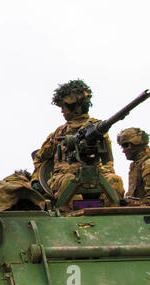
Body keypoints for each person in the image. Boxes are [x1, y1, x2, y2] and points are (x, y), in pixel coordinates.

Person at [30, 79, 124, 208]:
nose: (62, 111)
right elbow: (40, 158)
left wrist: (102, 173)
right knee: (69, 182)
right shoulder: (59, 134)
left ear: (75, 107)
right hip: (64, 178)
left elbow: (108, 161)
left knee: (115, 180)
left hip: (95, 176)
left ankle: (109, 217)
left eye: (64, 107)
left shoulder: (97, 130)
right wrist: (36, 179)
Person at [117, 127, 150, 205]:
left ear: (138, 144)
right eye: (122, 146)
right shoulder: (135, 165)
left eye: (126, 145)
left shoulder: (147, 164)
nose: (123, 150)